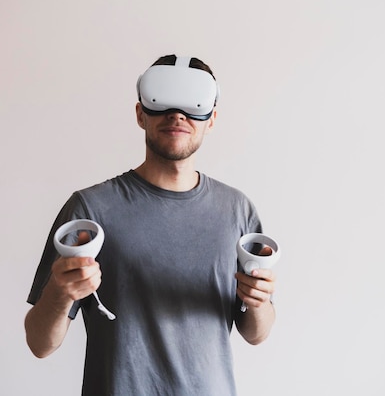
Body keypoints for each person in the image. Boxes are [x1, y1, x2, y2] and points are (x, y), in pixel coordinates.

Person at [25, 54, 277, 395]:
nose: (177, 115)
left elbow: (256, 334)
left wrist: (259, 301)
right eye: (162, 102)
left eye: (193, 104)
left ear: (212, 118)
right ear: (140, 113)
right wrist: (60, 292)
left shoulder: (237, 210)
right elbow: (40, 344)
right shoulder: (90, 209)